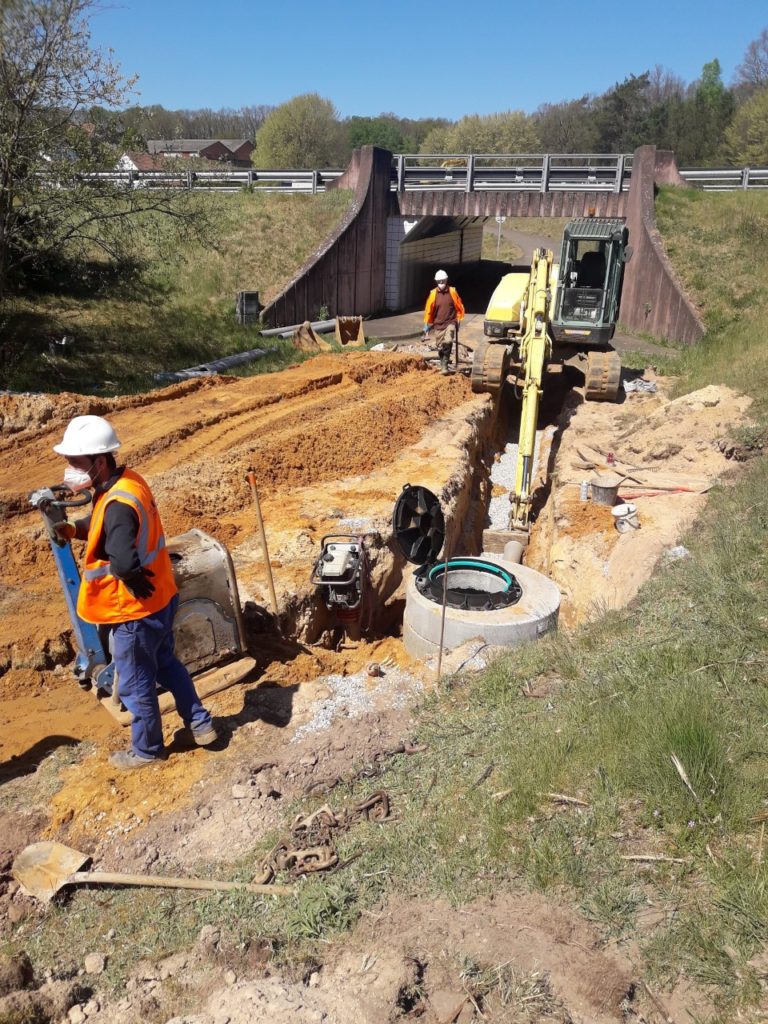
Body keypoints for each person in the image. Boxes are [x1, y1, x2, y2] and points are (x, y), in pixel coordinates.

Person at [52, 415, 217, 770]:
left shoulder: (116, 504)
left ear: (99, 461)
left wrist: (127, 573)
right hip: (159, 598)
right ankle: (201, 726)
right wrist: (73, 529)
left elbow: (123, 555)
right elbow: (106, 527)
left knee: (135, 685)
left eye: (76, 462)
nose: (70, 470)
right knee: (167, 665)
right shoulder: (127, 483)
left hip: (132, 612)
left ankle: (147, 751)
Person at [423, 269, 465, 375]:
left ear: (446, 280)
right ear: (436, 282)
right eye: (439, 281)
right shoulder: (433, 294)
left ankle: (445, 366)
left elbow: (460, 307)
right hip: (438, 324)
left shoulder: (452, 291)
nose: (441, 283)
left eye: (443, 281)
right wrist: (427, 324)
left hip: (450, 322)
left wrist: (459, 319)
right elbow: (429, 310)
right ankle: (443, 363)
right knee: (440, 346)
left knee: (448, 341)